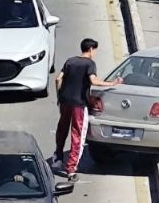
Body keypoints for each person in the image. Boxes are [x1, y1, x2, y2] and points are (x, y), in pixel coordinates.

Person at [52, 38, 122, 181]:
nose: (95, 53)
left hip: (65, 101)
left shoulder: (70, 61)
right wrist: (112, 83)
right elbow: (93, 81)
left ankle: (58, 156)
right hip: (79, 104)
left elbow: (58, 79)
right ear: (90, 49)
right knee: (78, 135)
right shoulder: (89, 64)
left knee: (62, 129)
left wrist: (59, 97)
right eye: (95, 50)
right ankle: (71, 169)